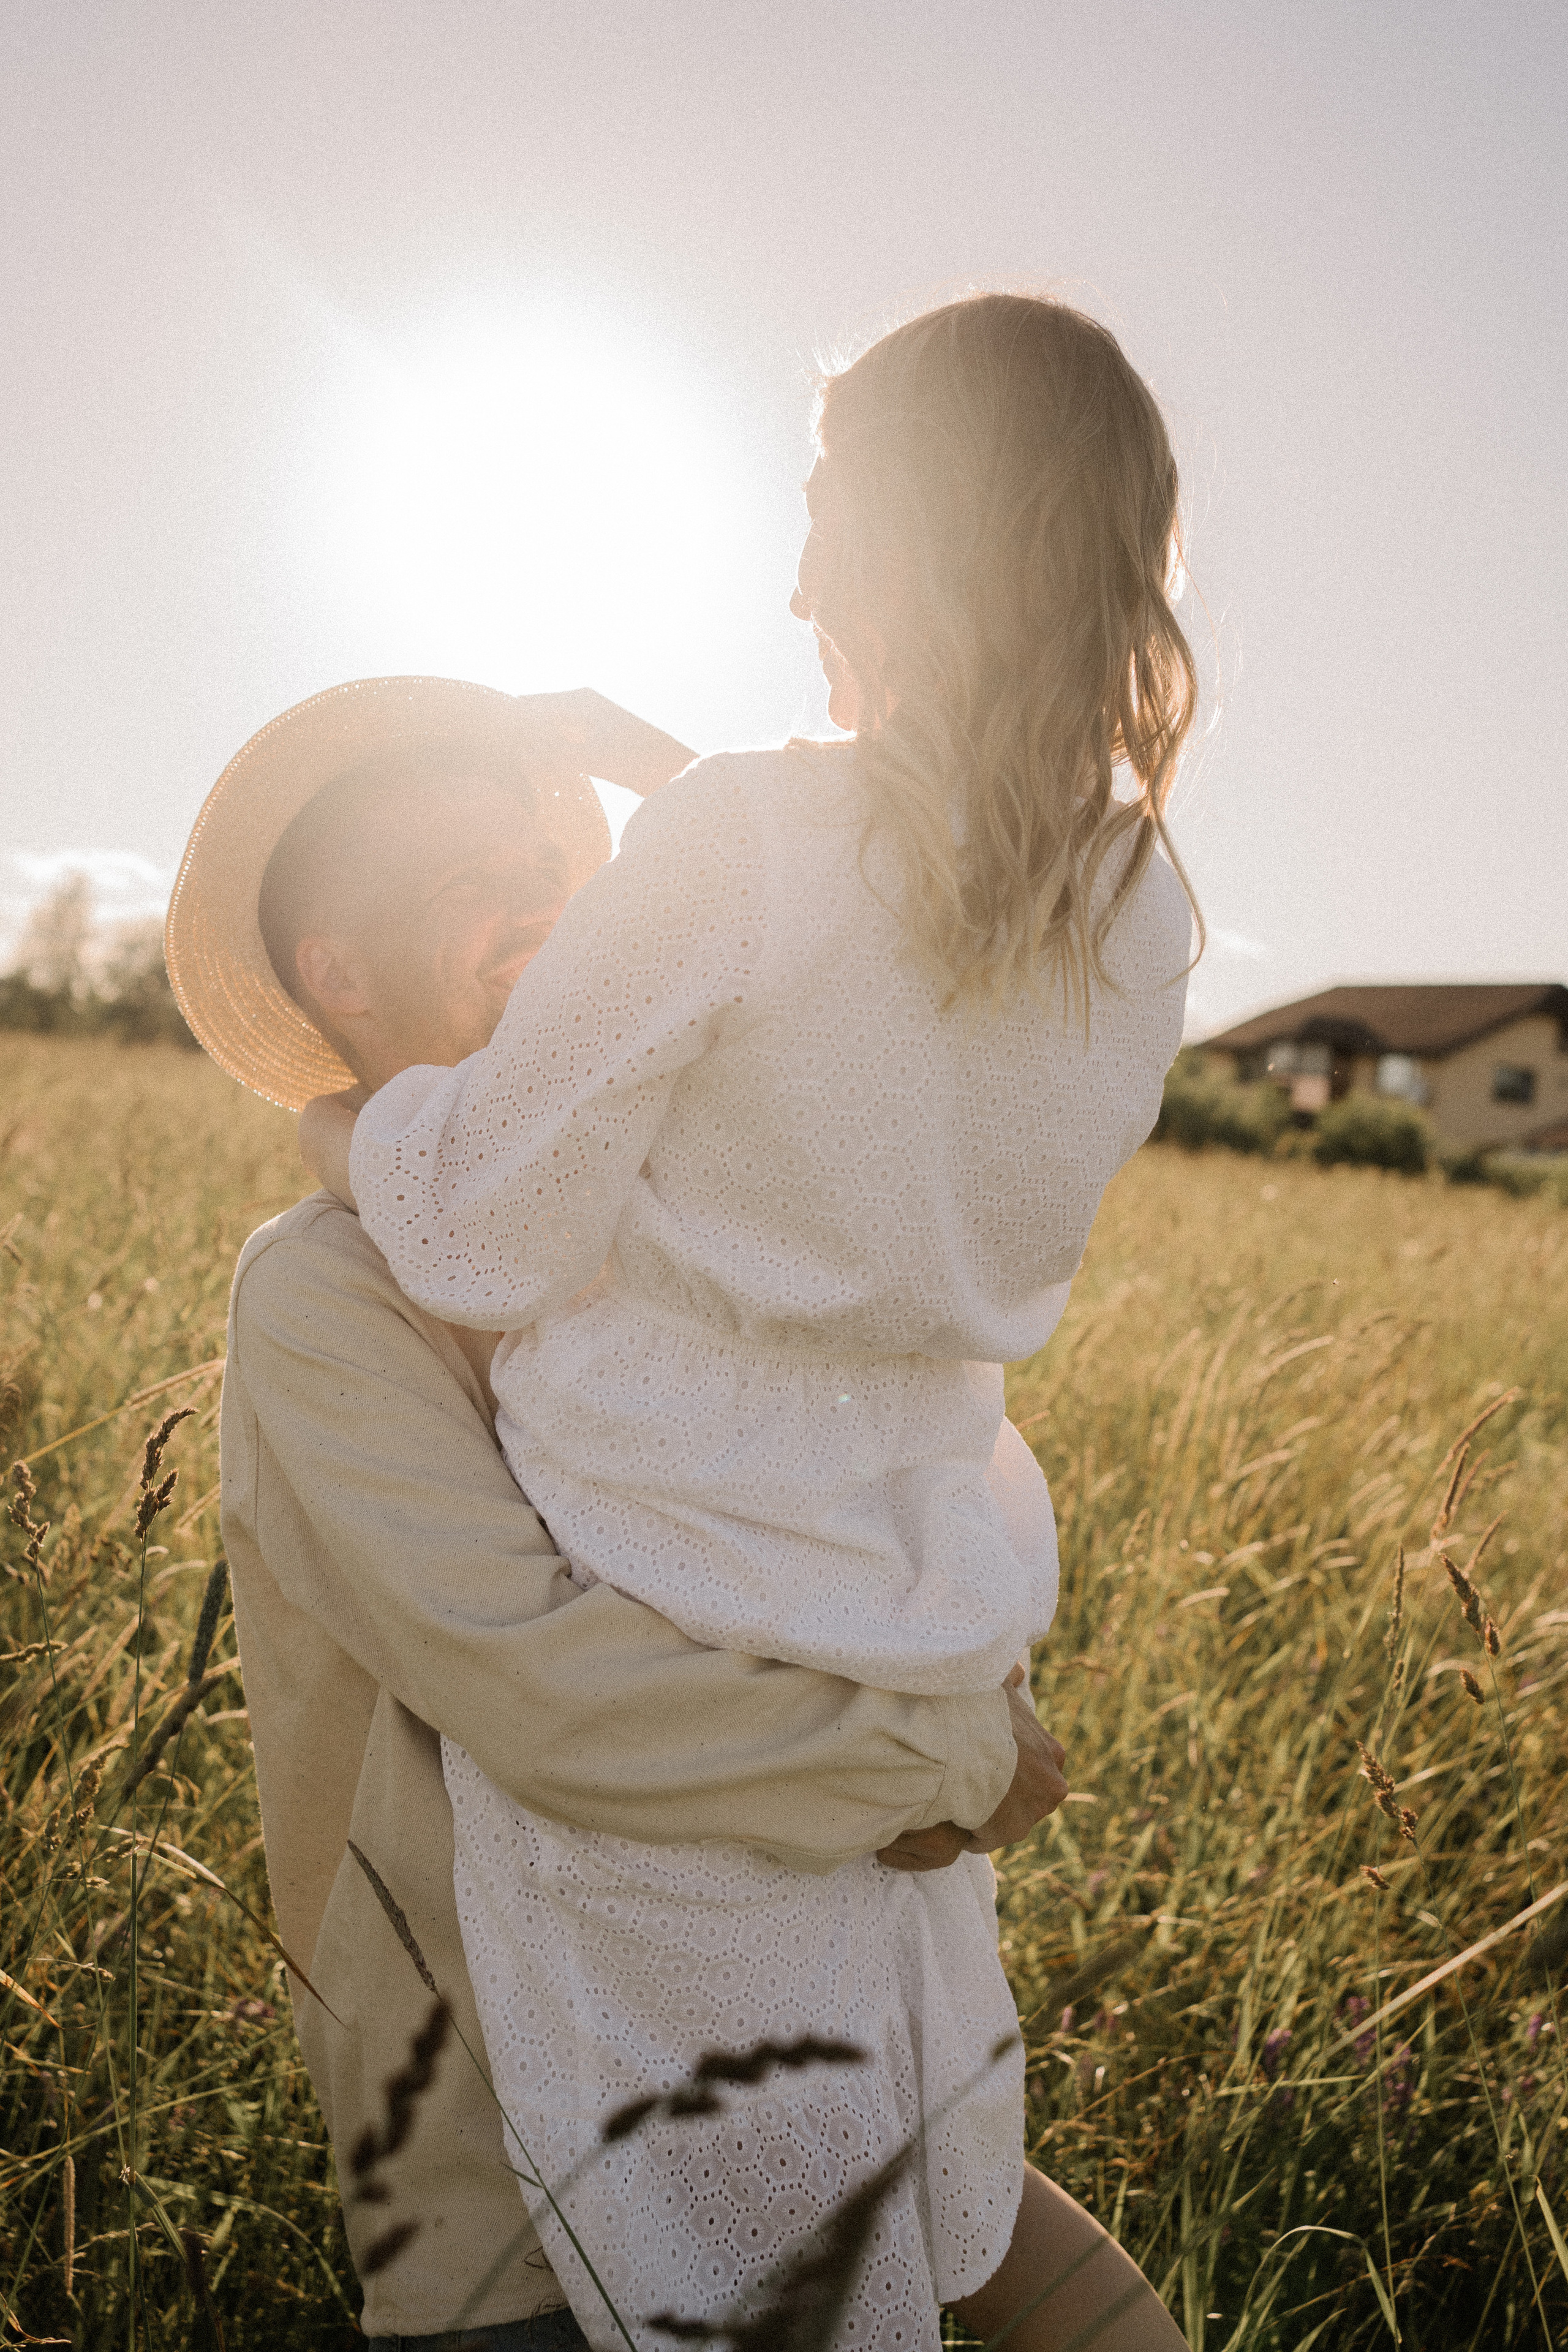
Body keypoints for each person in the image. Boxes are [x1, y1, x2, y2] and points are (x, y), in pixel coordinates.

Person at [303, 296, 1196, 2350]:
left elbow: (485, 1236)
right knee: (906, 2183)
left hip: (679, 1586)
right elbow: (882, 975)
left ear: (917, 539)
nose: (796, 582)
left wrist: (352, 1125)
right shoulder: (1140, 902)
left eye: (824, 514)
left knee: (746, 2261)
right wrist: (688, 781)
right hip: (922, 1589)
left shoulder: (740, 844)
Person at [167, 676, 1074, 2351]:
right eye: (473, 884)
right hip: (514, 2158)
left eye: (552, 873)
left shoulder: (671, 1225)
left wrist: (684, 777)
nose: (541, 908)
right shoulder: (323, 1296)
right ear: (338, 975)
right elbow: (540, 1686)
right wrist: (939, 1757)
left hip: (818, 2025)